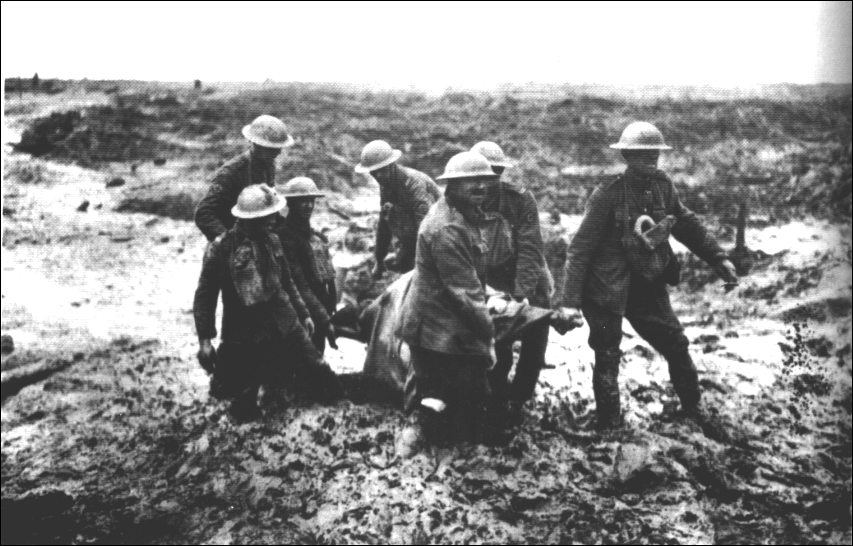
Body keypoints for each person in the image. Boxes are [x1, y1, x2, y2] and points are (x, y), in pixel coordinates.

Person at [560, 122, 738, 434]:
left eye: (655, 153)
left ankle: (694, 408)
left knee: (676, 342)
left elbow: (685, 222)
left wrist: (718, 258)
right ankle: (609, 425)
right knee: (607, 353)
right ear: (627, 155)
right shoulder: (608, 195)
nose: (651, 160)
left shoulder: (663, 186)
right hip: (605, 288)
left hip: (647, 284)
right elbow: (580, 249)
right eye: (643, 154)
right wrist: (571, 303)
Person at [194, 184, 344, 421]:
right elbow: (205, 295)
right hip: (243, 331)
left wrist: (304, 314)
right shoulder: (221, 249)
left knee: (319, 369)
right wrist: (205, 339)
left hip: (285, 321)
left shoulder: (273, 240)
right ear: (249, 219)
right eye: (267, 217)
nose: (275, 220)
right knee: (234, 395)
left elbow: (288, 281)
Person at [395, 151, 500, 457]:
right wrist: (489, 337)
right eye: (471, 182)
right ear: (452, 186)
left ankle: (453, 437)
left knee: (459, 392)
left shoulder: (465, 216)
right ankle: (420, 446)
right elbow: (465, 293)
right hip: (434, 328)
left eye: (484, 180)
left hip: (446, 321)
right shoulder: (447, 228)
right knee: (439, 395)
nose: (480, 187)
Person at [471, 141, 554, 423]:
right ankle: (496, 393)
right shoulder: (461, 202)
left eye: (494, 173)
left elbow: (531, 249)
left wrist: (522, 295)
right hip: (487, 276)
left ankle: (520, 396)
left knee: (535, 331)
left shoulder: (520, 201)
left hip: (525, 274)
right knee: (496, 339)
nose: (487, 181)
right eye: (480, 174)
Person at [195, 115, 295, 241]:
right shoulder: (231, 173)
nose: (278, 153)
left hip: (258, 237)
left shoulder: (268, 165)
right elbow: (204, 214)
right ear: (257, 145)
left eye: (279, 148)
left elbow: (268, 206)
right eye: (272, 149)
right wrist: (227, 240)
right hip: (234, 241)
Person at [354, 140, 441, 278]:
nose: (377, 176)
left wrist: (423, 265)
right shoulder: (386, 183)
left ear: (391, 165)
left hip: (437, 243)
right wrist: (379, 259)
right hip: (412, 242)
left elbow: (426, 230)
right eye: (373, 173)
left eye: (381, 171)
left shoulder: (414, 185)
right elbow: (384, 223)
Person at [274, 177, 338, 354]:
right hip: (299, 312)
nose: (309, 206)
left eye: (311, 201)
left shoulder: (312, 236)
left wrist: (329, 308)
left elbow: (326, 277)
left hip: (317, 309)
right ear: (290, 203)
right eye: (303, 201)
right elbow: (299, 282)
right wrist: (324, 318)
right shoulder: (285, 237)